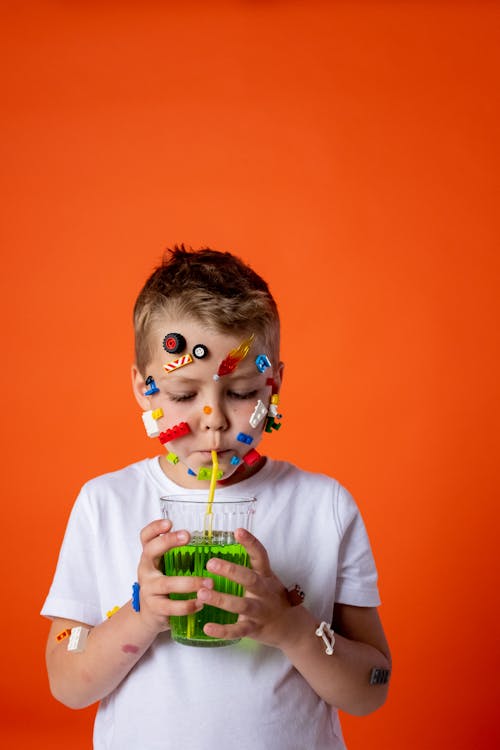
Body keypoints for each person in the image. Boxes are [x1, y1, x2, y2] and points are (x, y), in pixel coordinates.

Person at [42, 246, 391, 750]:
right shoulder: (104, 504)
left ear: (275, 386)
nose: (215, 419)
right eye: (184, 395)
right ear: (144, 390)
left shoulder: (325, 507)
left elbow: (373, 685)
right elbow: (63, 672)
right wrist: (141, 616)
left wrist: (293, 629)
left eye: (244, 391)